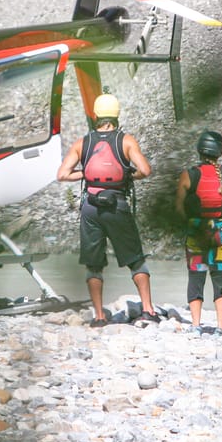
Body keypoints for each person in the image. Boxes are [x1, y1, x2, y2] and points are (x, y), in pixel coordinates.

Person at [56, 93, 160, 327]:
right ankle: (148, 310)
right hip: (117, 205)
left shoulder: (83, 143)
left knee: (94, 264)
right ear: (116, 115)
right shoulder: (126, 141)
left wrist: (85, 173)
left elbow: (62, 175)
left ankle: (99, 317)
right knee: (135, 259)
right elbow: (145, 170)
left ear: (96, 115)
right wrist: (126, 174)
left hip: (90, 207)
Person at [175, 130, 222, 335]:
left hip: (196, 229)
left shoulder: (189, 174)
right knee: (221, 277)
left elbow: (178, 205)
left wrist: (189, 223)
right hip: (221, 230)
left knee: (196, 276)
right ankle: (221, 326)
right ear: (219, 151)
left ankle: (196, 324)